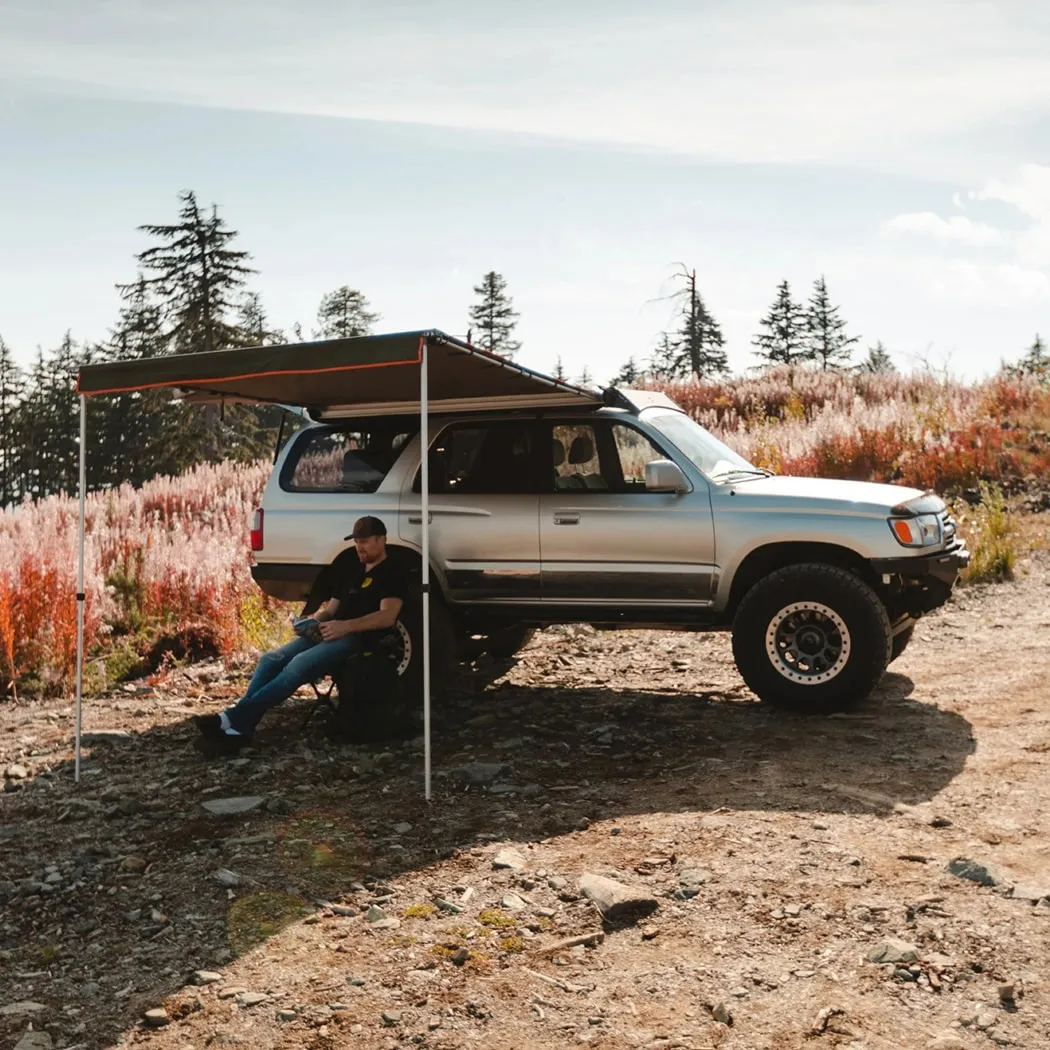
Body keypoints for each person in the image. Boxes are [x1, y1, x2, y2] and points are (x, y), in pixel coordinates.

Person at [193, 515, 407, 753]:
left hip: (358, 638)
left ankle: (231, 720)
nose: (360, 547)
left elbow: (387, 616)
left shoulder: (392, 572)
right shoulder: (352, 570)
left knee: (298, 664)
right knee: (269, 659)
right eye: (357, 542)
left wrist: (346, 626)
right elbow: (332, 610)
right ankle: (239, 728)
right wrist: (312, 622)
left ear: (382, 540)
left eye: (365, 541)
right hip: (329, 631)